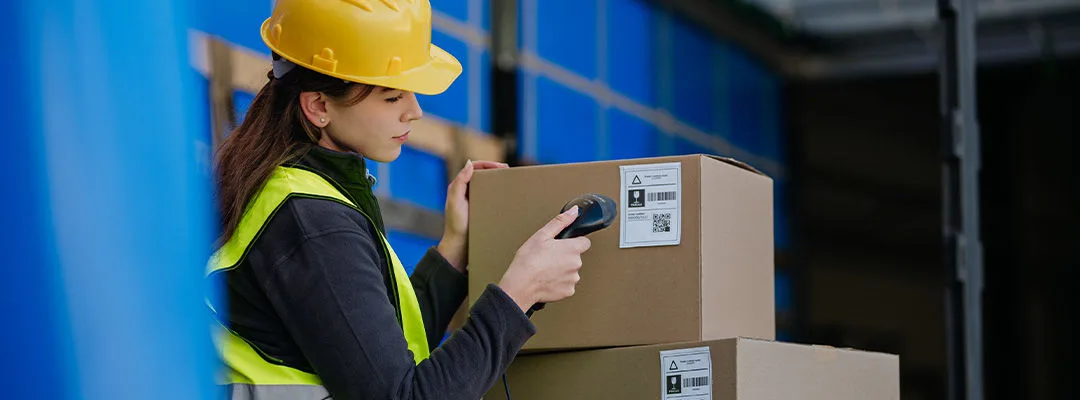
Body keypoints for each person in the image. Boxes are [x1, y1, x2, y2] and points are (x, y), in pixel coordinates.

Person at [206, 0, 593, 399]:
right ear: (319, 105)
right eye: (393, 97)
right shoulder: (311, 221)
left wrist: (453, 248)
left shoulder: (301, 191)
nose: (416, 111)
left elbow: (375, 357)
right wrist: (520, 291)